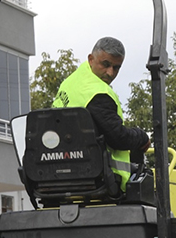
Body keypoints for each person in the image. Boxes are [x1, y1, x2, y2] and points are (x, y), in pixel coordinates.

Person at [52, 37, 150, 190]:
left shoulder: (72, 81)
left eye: (116, 68)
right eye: (106, 65)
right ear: (91, 59)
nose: (110, 73)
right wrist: (142, 137)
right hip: (99, 178)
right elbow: (119, 138)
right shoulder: (98, 93)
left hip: (59, 170)